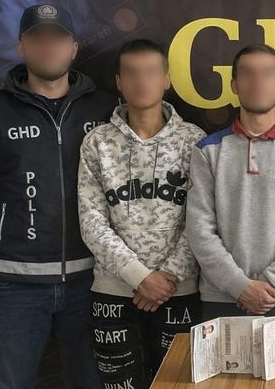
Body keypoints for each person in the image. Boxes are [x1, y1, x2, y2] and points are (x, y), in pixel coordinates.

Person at [0, 4, 117, 389]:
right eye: (37, 39)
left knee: (93, 383)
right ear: (21, 46)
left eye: (57, 39)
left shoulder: (106, 108)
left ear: (74, 48)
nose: (48, 47)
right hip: (14, 286)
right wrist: (11, 216)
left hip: (93, 281)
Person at [77, 39, 205, 388]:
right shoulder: (97, 142)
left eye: (150, 72)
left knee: (179, 384)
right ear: (119, 82)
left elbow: (202, 221)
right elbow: (91, 221)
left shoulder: (194, 140)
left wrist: (167, 277)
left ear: (166, 79)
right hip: (114, 291)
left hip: (178, 291)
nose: (141, 81)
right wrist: (139, 277)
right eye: (132, 73)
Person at [186, 44, 275, 320]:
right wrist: (240, 287)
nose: (257, 82)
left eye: (267, 74)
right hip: (225, 299)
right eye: (248, 74)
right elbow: (199, 229)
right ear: (234, 85)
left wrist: (270, 283)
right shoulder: (207, 151)